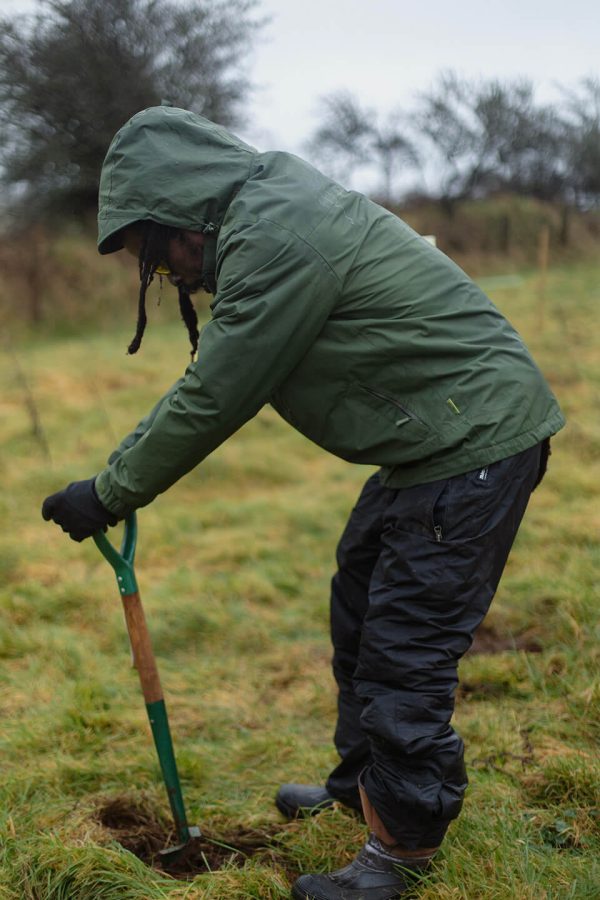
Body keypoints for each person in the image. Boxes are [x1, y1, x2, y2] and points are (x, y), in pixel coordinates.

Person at [42, 104, 564, 900]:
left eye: (156, 254)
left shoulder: (276, 236)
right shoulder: (264, 211)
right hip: (433, 440)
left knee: (405, 646)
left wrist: (109, 492)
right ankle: (362, 788)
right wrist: (110, 478)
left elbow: (218, 391)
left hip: (474, 442)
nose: (167, 275)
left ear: (183, 215)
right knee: (359, 599)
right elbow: (212, 377)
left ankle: (403, 846)